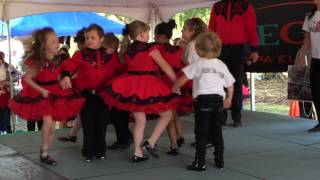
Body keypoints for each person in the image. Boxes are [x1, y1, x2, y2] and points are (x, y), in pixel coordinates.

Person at [99, 20, 179, 163]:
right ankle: (151, 142)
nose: (149, 35)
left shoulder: (127, 49)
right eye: (148, 32)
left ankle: (137, 153)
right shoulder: (150, 48)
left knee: (139, 121)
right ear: (142, 34)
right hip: (149, 84)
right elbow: (165, 67)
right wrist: (176, 82)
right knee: (167, 113)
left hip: (130, 86)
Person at [9, 27, 85, 165]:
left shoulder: (58, 60)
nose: (57, 44)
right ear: (44, 45)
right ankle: (44, 152)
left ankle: (45, 151)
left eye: (57, 41)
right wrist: (41, 90)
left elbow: (58, 76)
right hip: (41, 93)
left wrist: (68, 79)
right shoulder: (38, 61)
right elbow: (27, 79)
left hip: (54, 92)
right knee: (48, 123)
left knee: (51, 127)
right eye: (53, 41)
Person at [60, 24, 125, 162]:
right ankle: (88, 152)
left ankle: (100, 151)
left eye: (93, 37)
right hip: (87, 95)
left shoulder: (110, 55)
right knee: (88, 124)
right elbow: (70, 65)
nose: (89, 40)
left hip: (104, 96)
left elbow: (119, 70)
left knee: (101, 124)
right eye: (87, 38)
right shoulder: (81, 55)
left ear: (101, 39)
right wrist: (66, 75)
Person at [172, 32, 235, 171]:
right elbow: (230, 83)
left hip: (203, 102)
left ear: (198, 50)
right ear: (218, 48)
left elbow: (183, 79)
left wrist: (174, 88)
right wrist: (229, 98)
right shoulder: (221, 65)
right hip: (218, 102)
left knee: (201, 133)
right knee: (217, 132)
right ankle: (220, 160)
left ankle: (200, 162)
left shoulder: (197, 64)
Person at [208, 0, 259, 127]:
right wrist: (210, 48)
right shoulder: (217, 6)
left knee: (236, 82)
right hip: (220, 48)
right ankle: (221, 116)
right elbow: (211, 29)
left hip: (239, 48)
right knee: (220, 82)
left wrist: (255, 49)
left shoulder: (245, 5)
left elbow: (251, 27)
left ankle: (237, 116)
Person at [154, 19, 192, 155]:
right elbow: (187, 64)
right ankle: (178, 137)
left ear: (161, 36)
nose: (153, 37)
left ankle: (173, 145)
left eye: (154, 35)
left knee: (167, 114)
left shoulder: (155, 48)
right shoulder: (178, 49)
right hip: (176, 83)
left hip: (162, 83)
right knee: (173, 112)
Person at [103, 32, 133, 150]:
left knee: (118, 117)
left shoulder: (114, 59)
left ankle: (125, 138)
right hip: (119, 92)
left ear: (111, 48)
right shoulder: (118, 58)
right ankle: (122, 139)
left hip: (117, 92)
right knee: (120, 117)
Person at [58, 28, 86, 142]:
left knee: (84, 113)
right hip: (82, 87)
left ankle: (73, 135)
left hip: (87, 88)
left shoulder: (84, 54)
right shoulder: (81, 54)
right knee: (82, 112)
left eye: (79, 43)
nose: (78, 46)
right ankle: (72, 134)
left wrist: (70, 77)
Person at [302, 1, 320, 132]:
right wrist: (302, 55)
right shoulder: (309, 16)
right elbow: (307, 39)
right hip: (315, 59)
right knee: (316, 92)